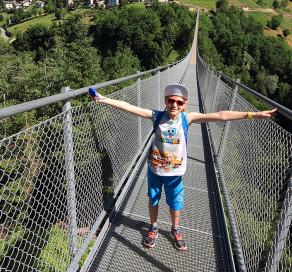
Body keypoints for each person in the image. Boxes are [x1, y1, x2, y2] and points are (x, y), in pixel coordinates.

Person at [90, 83, 277, 250]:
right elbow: (130, 107)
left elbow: (220, 116)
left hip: (175, 173)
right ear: (166, 101)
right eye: (171, 101)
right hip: (155, 170)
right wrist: (103, 99)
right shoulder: (157, 116)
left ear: (185, 105)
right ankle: (153, 227)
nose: (175, 105)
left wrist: (252, 115)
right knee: (153, 200)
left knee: (175, 204)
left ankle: (175, 229)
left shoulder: (187, 119)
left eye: (179, 103)